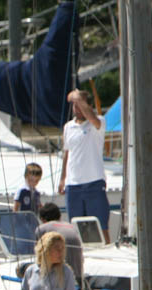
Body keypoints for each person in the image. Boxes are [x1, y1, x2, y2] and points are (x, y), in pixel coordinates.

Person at [59, 89, 110, 243]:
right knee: (77, 227)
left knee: (101, 226)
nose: (78, 109)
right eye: (75, 105)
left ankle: (106, 251)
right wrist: (62, 178)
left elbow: (92, 117)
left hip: (94, 182)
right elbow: (67, 153)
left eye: (80, 105)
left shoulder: (98, 122)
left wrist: (76, 96)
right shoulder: (68, 127)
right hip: (73, 184)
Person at [36, 202, 85, 286]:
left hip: (61, 277)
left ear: (42, 219)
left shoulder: (42, 229)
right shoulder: (71, 226)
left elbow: (39, 255)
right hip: (79, 276)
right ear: (60, 216)